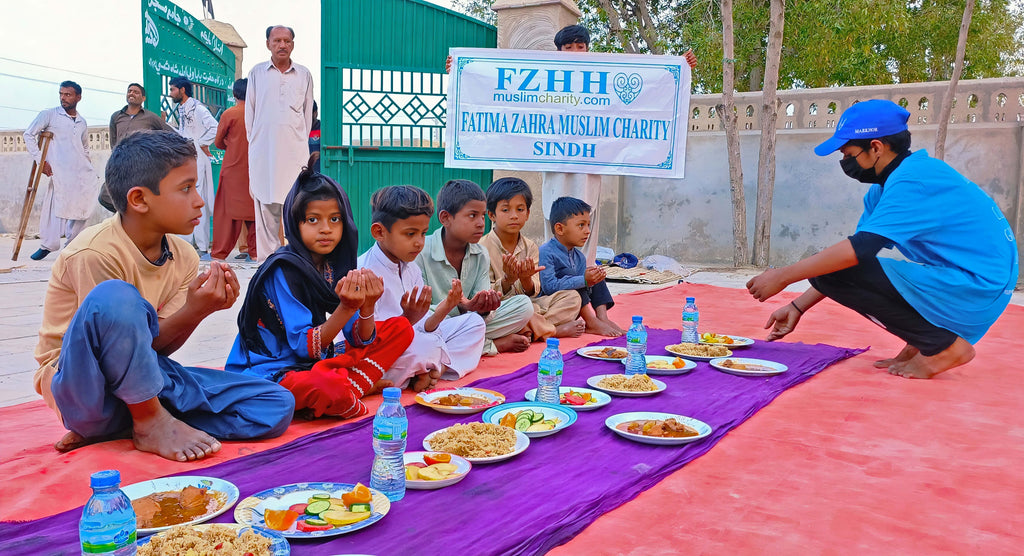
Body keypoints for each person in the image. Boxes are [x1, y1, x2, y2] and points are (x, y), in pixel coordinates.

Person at [32, 130, 294, 462]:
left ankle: (133, 424)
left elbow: (154, 348)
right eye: (186, 188)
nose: (199, 200)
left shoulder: (183, 257)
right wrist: (192, 310)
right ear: (139, 199)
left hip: (142, 379)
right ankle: (149, 421)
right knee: (116, 298)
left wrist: (197, 310)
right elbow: (108, 353)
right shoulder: (93, 252)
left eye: (196, 187)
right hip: (83, 389)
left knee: (274, 404)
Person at [746, 99, 1018, 379]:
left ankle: (944, 347)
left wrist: (783, 276)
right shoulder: (885, 188)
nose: (844, 162)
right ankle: (926, 340)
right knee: (832, 269)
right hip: (968, 280)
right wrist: (796, 306)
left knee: (835, 270)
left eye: (847, 153)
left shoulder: (913, 180)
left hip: (979, 286)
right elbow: (852, 253)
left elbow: (857, 252)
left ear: (875, 147)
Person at [227, 156, 414, 419]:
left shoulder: (334, 265)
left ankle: (348, 388)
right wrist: (347, 308)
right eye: (313, 220)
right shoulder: (283, 270)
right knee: (325, 388)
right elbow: (304, 346)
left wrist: (367, 307)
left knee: (400, 328)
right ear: (295, 223)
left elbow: (358, 338)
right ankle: (350, 388)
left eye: (335, 219)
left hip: (316, 361)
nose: (326, 230)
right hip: (273, 370)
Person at [540, 25, 698, 265]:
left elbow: (646, 89)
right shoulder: (544, 78)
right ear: (558, 51)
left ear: (588, 49)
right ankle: (552, 273)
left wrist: (680, 68)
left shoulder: (605, 78)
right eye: (568, 47)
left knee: (585, 213)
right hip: (556, 164)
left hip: (589, 165)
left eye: (580, 47)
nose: (574, 52)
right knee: (554, 213)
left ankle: (585, 275)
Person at [360, 186, 487, 391]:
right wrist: (406, 320)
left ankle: (434, 371)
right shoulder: (364, 273)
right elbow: (367, 343)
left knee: (474, 323)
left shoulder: (411, 269)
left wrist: (446, 307)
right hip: (384, 354)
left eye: (423, 233)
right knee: (427, 346)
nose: (419, 243)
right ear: (379, 232)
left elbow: (423, 327)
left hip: (416, 342)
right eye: (410, 234)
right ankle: (426, 369)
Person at [416, 179, 535, 355]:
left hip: (471, 323)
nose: (481, 223)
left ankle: (465, 343)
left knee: (524, 306)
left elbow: (478, 305)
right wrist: (453, 307)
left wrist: (480, 306)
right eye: (472, 215)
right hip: (437, 323)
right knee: (419, 331)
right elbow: (420, 313)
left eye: (482, 216)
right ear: (445, 218)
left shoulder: (480, 253)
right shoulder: (421, 252)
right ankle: (490, 346)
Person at [480, 177, 584, 340]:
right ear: (491, 215)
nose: (514, 216)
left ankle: (528, 329)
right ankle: (552, 331)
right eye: (506, 210)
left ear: (528, 214)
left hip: (530, 306)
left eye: (520, 209)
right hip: (501, 309)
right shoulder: (482, 248)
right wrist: (508, 280)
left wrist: (525, 278)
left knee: (572, 298)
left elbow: (533, 290)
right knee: (524, 308)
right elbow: (484, 296)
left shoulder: (531, 247)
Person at [246, 25, 315, 262]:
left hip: (294, 153)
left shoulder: (304, 75)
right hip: (263, 152)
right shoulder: (256, 73)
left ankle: (295, 262)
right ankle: (267, 264)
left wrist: (298, 143)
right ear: (268, 44)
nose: (282, 45)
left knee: (294, 206)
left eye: (287, 40)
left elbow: (307, 117)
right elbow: (250, 117)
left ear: (293, 44)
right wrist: (256, 146)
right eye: (277, 41)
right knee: (265, 209)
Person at [23, 80, 99, 261]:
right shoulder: (49, 115)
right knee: (54, 207)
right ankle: (48, 245)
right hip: (59, 170)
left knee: (84, 206)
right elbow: (29, 135)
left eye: (68, 94)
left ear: (78, 97)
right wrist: (41, 161)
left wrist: (88, 166)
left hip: (80, 171)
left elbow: (85, 147)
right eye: (61, 94)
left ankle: (73, 244)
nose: (63, 98)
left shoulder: (81, 121)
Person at [539, 196, 624, 337]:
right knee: (576, 275)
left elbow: (585, 287)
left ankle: (602, 318)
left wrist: (591, 278)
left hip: (574, 306)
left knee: (594, 273)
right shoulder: (546, 251)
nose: (587, 231)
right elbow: (549, 287)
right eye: (581, 225)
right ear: (560, 228)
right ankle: (590, 321)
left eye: (588, 225)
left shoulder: (579, 257)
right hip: (553, 304)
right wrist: (583, 280)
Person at [100, 82, 175, 212]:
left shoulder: (150, 117)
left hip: (142, 165)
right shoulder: (116, 116)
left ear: (143, 98)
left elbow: (170, 134)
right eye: (129, 91)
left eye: (136, 92)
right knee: (105, 196)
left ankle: (133, 221)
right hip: (121, 164)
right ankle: (127, 215)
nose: (131, 94)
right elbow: (113, 140)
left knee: (139, 195)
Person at [169, 75, 218, 260]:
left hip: (198, 158)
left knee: (199, 199)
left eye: (173, 89)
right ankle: (189, 244)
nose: (171, 93)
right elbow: (184, 134)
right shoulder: (182, 108)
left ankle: (203, 246)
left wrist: (200, 143)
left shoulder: (198, 108)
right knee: (189, 198)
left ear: (182, 90)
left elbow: (215, 127)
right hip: (189, 157)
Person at [211, 78, 257, 261]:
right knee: (255, 211)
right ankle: (255, 252)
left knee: (226, 211)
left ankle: (220, 252)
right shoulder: (259, 113)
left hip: (232, 167)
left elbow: (218, 142)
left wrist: (231, 144)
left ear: (234, 94)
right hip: (255, 168)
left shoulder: (230, 114)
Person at [309, 100, 321, 173]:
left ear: (315, 113)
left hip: (320, 172)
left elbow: (331, 150)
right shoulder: (299, 130)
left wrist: (321, 153)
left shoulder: (324, 129)